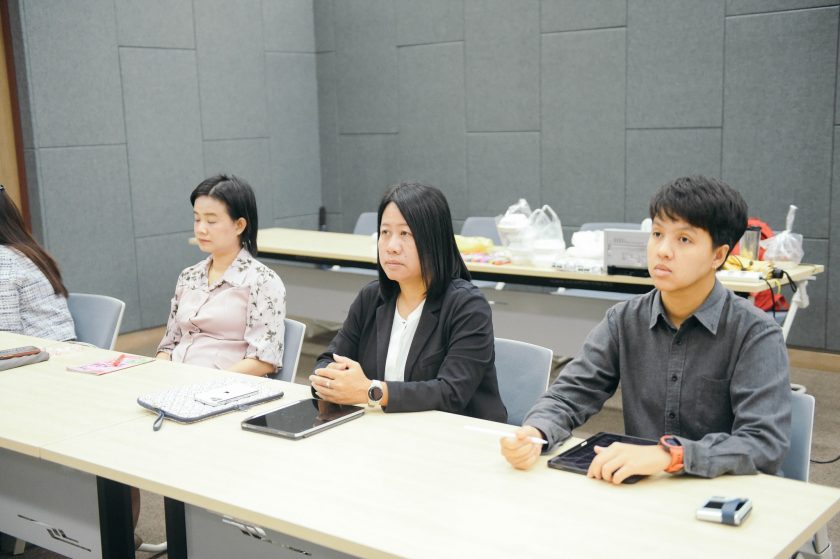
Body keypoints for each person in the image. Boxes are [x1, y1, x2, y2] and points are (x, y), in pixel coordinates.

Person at [501, 176, 790, 482]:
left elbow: (763, 443)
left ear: (718, 256)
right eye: (657, 234)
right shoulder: (624, 320)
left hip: (724, 490)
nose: (662, 250)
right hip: (645, 487)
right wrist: (536, 432)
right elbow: (569, 395)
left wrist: (671, 455)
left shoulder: (755, 333)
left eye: (684, 239)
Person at [309, 182, 506, 422]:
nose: (391, 247)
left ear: (434, 240)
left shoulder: (468, 306)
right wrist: (330, 377)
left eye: (405, 234)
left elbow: (451, 393)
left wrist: (371, 391)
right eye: (385, 232)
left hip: (454, 433)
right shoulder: (371, 298)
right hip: (388, 429)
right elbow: (328, 359)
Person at [156, 174, 285, 376]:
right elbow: (168, 345)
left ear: (239, 225)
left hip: (222, 386)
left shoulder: (262, 281)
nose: (201, 229)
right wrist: (159, 373)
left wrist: (209, 382)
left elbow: (264, 360)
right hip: (175, 379)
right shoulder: (189, 276)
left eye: (211, 221)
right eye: (197, 219)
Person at [0, 184, 75, 341]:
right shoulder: (24, 249)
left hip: (44, 352)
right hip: (59, 346)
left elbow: (6, 337)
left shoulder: (5, 259)